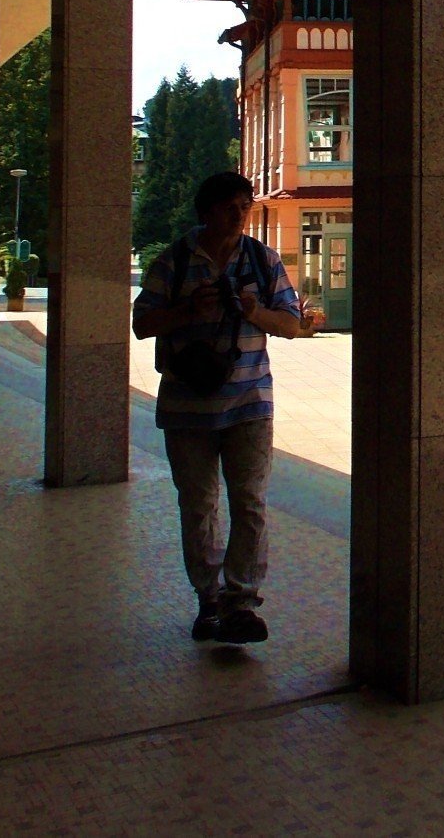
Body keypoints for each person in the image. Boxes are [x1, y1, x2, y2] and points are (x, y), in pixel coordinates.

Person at [133, 172, 307, 645]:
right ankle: (208, 599)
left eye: (244, 204)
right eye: (229, 206)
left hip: (250, 402)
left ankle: (241, 602)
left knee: (249, 501)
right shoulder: (174, 261)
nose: (239, 213)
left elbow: (291, 325)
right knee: (198, 504)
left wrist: (251, 311)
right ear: (205, 211)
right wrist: (189, 310)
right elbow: (142, 323)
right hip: (187, 407)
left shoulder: (261, 259)